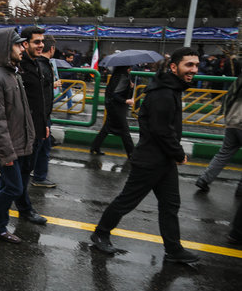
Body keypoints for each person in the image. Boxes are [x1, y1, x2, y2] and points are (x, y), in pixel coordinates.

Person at [89, 47, 201, 263]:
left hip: (164, 160)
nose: (194, 70)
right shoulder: (163, 93)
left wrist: (173, 155)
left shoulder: (171, 87)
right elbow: (162, 130)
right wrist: (179, 153)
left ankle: (173, 250)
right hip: (150, 160)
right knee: (127, 201)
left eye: (196, 65)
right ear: (173, 67)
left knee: (170, 205)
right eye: (189, 65)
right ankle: (101, 233)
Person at [0, 28, 42, 244]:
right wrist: (7, 154)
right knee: (14, 187)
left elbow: (22, 112)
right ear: (6, 48)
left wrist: (30, 138)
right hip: (6, 147)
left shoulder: (12, 74)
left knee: (10, 185)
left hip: (19, 143)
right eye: (17, 44)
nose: (22, 48)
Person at [195, 72, 242, 196]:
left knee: (225, 152)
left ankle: (204, 179)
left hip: (233, 118)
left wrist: (226, 114)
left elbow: (230, 95)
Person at [21, 28, 56, 189]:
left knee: (23, 172)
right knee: (20, 174)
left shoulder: (36, 64)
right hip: (25, 128)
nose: (41, 45)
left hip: (38, 124)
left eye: (42, 42)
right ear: (25, 44)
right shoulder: (19, 68)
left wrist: (45, 123)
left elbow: (40, 98)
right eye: (37, 42)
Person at [90, 66, 135, 157]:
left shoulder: (118, 75)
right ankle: (132, 153)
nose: (131, 69)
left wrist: (130, 87)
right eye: (130, 67)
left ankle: (95, 146)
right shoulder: (123, 77)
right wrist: (125, 101)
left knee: (107, 127)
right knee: (124, 130)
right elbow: (115, 94)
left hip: (112, 105)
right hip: (117, 107)